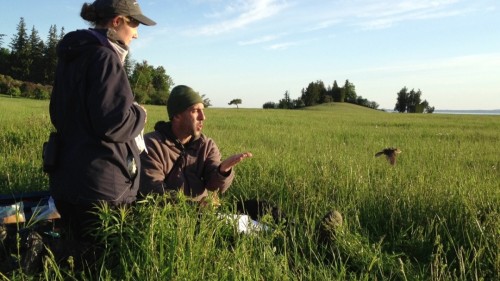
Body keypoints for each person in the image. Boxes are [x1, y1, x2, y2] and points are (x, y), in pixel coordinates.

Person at [48, 0, 156, 241]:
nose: (137, 34)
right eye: (135, 24)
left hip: (67, 182)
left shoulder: (72, 55)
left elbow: (58, 112)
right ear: (117, 21)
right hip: (102, 190)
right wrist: (140, 114)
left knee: (74, 257)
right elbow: (114, 123)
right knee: (101, 264)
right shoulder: (105, 57)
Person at [139, 85, 252, 204]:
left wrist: (223, 171)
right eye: (195, 111)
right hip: (170, 215)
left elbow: (214, 186)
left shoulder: (206, 145)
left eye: (202, 110)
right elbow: (153, 190)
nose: (203, 117)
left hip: (203, 212)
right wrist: (193, 207)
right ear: (177, 116)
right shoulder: (151, 144)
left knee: (259, 207)